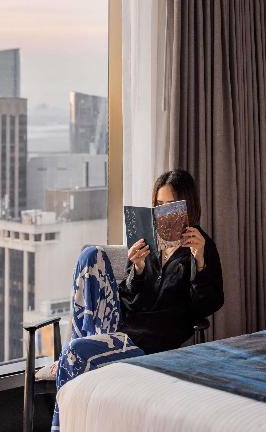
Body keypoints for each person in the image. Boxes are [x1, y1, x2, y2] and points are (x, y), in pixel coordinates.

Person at [47, 169, 224, 431]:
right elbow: (128, 300)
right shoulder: (149, 243)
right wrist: (138, 270)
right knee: (90, 256)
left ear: (187, 206)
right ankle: (88, 344)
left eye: (171, 205)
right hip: (123, 327)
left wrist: (200, 262)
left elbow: (207, 305)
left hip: (152, 341)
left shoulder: (201, 247)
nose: (164, 212)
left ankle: (65, 406)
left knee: (74, 353)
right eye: (159, 205)